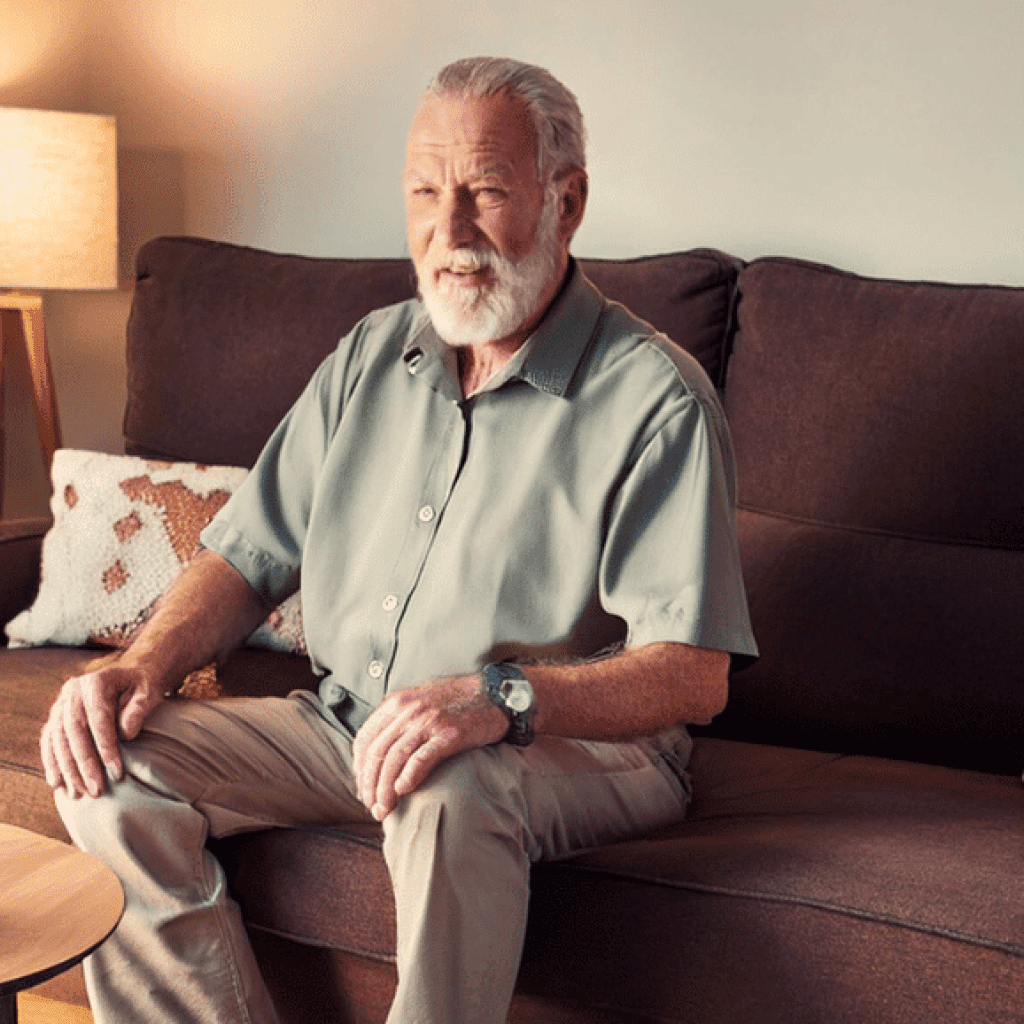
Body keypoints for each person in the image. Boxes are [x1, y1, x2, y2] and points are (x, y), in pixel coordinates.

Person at [41, 56, 758, 1024]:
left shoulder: (655, 399)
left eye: (485, 191)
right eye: (425, 191)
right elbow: (247, 556)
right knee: (105, 764)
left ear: (567, 201)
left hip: (584, 748)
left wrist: (494, 699)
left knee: (451, 775)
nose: (449, 231)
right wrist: (141, 665)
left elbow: (692, 675)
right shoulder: (371, 353)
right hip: (350, 723)